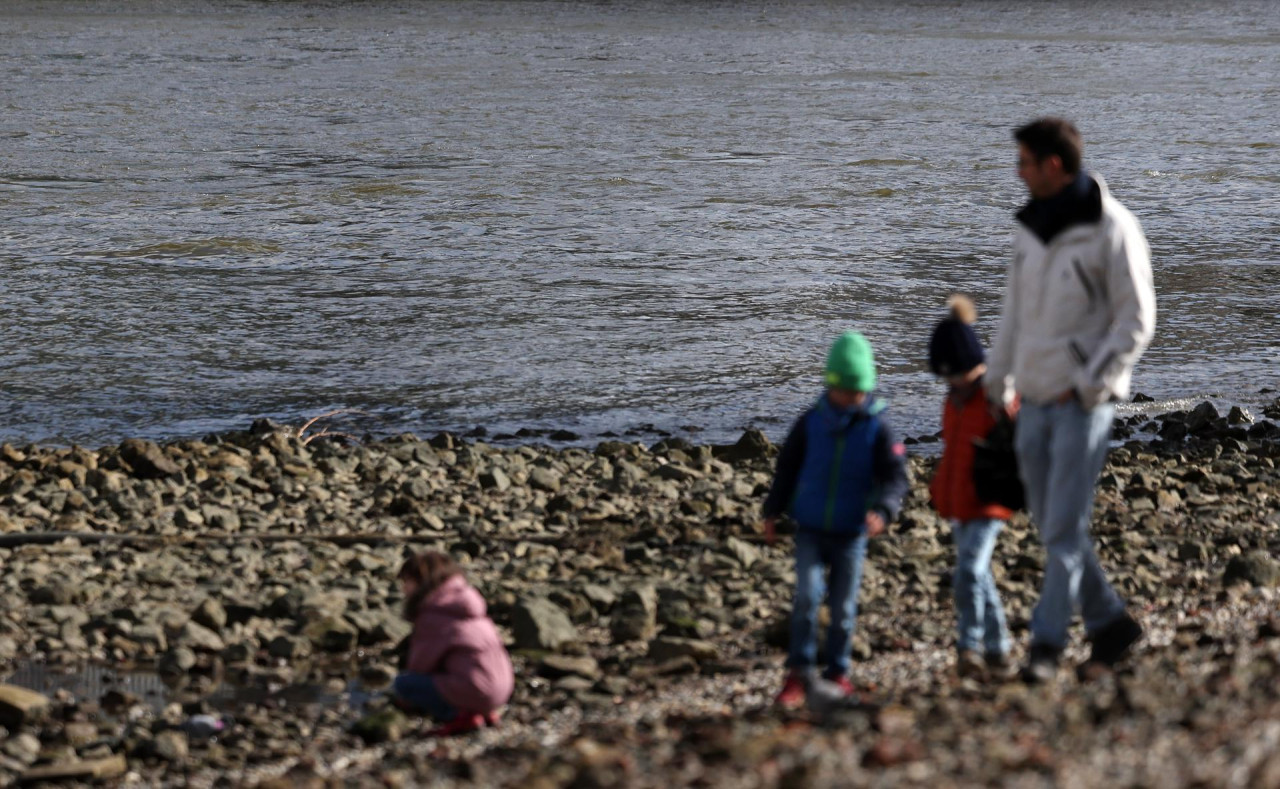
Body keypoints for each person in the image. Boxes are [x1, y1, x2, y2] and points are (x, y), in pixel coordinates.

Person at [986, 117, 1156, 683]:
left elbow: (1137, 320)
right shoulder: (1028, 229)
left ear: (1053, 165)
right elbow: (1013, 313)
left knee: (1060, 529)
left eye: (1025, 162)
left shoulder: (1113, 228)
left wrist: (1090, 385)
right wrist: (998, 384)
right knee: (1056, 526)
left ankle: (1046, 647)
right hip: (1030, 401)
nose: (1018, 171)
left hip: (1083, 404)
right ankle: (1110, 623)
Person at [761, 331, 909, 707]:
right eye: (846, 391)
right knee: (807, 599)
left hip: (851, 534)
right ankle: (799, 673)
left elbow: (895, 477)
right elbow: (787, 469)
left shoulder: (877, 427)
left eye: (859, 392)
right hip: (810, 528)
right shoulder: (810, 422)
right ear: (831, 385)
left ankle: (838, 673)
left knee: (843, 609)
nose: (852, 400)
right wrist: (772, 512)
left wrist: (884, 510)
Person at [928, 295, 1013, 677]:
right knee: (979, 576)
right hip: (961, 501)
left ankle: (969, 647)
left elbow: (1020, 441)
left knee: (967, 573)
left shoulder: (994, 397)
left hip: (990, 502)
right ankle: (999, 647)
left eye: (956, 374)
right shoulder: (954, 400)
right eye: (946, 377)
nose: (952, 382)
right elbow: (952, 450)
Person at [394, 551, 514, 734]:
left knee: (404, 683)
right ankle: (484, 712)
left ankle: (458, 715)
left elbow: (420, 664)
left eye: (406, 582)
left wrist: (405, 697)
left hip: (479, 690)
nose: (403, 589)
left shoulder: (433, 613)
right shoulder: (468, 605)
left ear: (420, 581)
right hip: (503, 689)